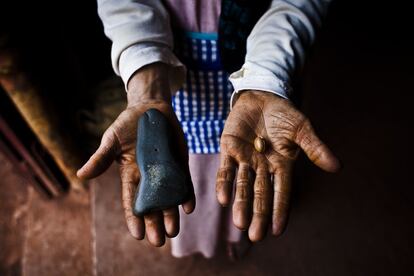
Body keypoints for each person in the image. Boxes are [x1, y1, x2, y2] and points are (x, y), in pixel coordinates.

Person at [77, 0, 341, 259]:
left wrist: (266, 78)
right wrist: (146, 79)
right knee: (195, 173)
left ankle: (232, 234)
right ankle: (202, 240)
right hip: (177, 77)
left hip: (262, 66)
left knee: (244, 170)